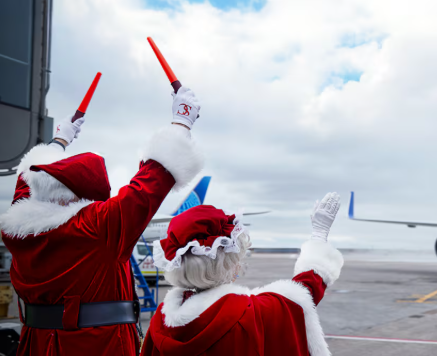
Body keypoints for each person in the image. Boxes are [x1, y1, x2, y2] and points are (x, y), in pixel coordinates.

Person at [0, 87, 203, 355]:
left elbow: (28, 181)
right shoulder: (95, 227)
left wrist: (59, 140)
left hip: (38, 344)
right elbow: (147, 187)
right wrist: (182, 123)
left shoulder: (17, 228)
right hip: (96, 345)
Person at [141, 193, 344, 356]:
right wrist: (318, 236)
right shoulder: (249, 313)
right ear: (227, 264)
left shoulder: (161, 320)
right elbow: (303, 292)